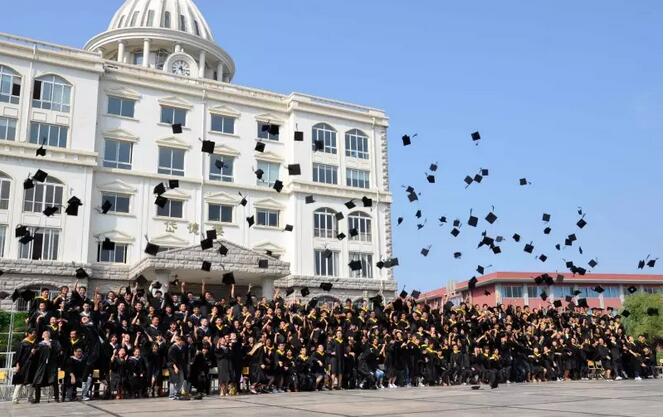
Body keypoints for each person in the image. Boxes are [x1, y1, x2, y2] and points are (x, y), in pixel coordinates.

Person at [12, 329, 37, 404]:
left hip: (32, 366)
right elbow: (18, 356)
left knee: (31, 382)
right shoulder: (23, 343)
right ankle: (15, 399)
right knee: (20, 382)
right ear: (28, 334)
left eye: (35, 333)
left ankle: (30, 397)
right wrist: (17, 365)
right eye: (33, 333)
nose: (34, 334)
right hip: (23, 365)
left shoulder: (34, 343)